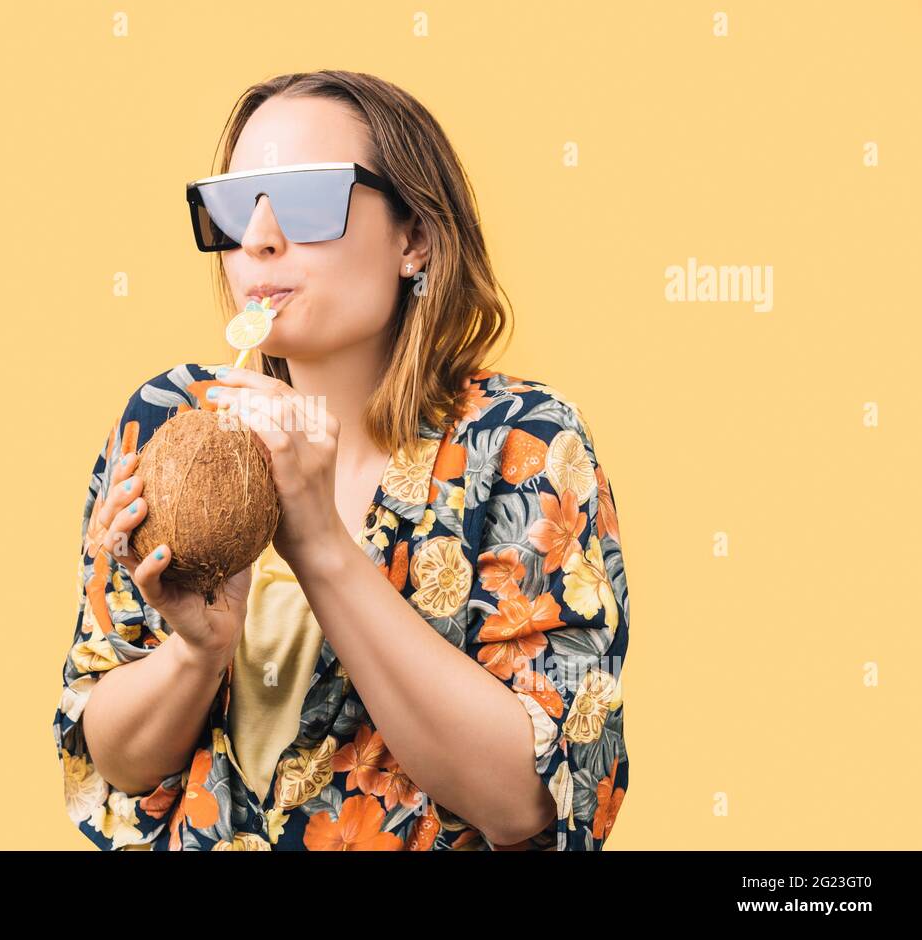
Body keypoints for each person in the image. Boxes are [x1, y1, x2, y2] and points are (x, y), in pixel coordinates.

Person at [54, 70, 630, 851]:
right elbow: (113, 763)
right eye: (233, 207)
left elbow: (527, 802)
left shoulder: (522, 441)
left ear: (414, 240)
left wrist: (322, 547)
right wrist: (198, 653)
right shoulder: (170, 424)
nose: (258, 239)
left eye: (305, 200)